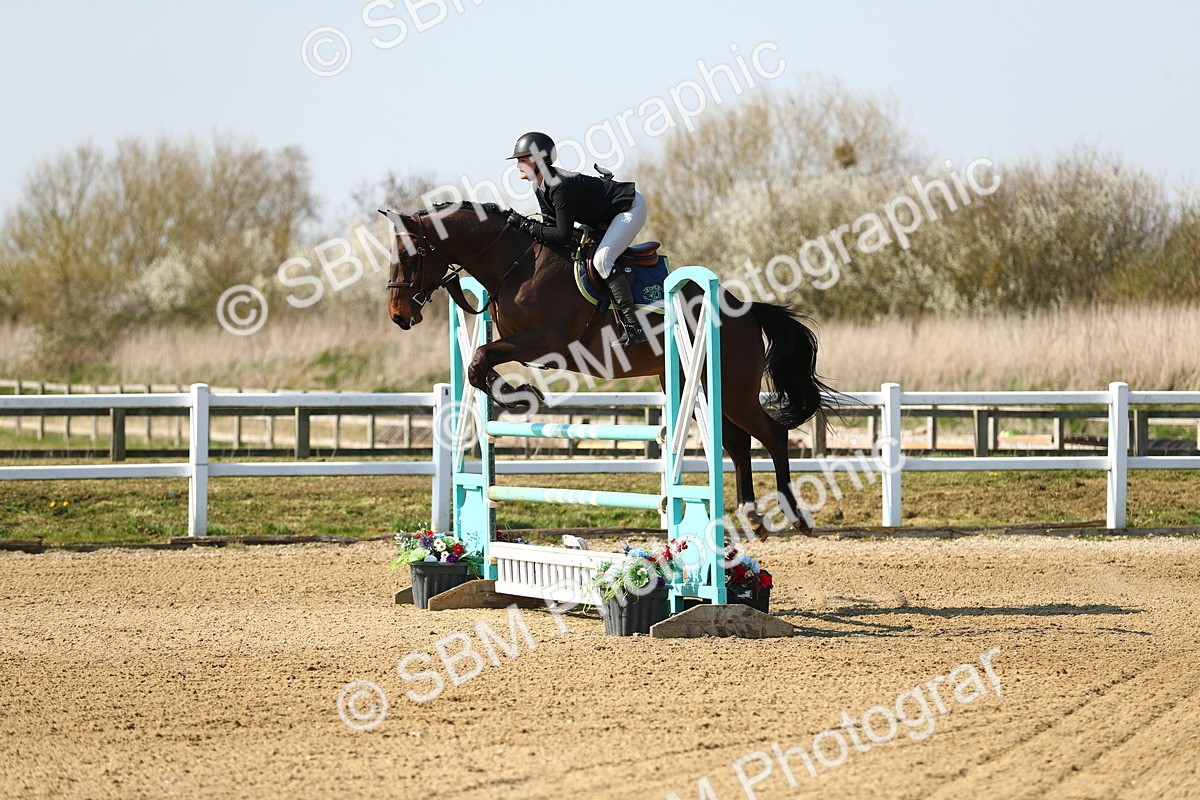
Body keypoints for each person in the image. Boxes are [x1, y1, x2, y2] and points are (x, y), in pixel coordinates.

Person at [504, 131, 648, 350]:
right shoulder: (539, 185)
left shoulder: (560, 185)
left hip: (629, 208)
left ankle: (633, 326)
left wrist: (525, 225)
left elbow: (561, 234)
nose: (517, 166)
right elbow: (550, 226)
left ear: (537, 160)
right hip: (601, 216)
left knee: (602, 260)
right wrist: (526, 229)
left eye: (522, 160)